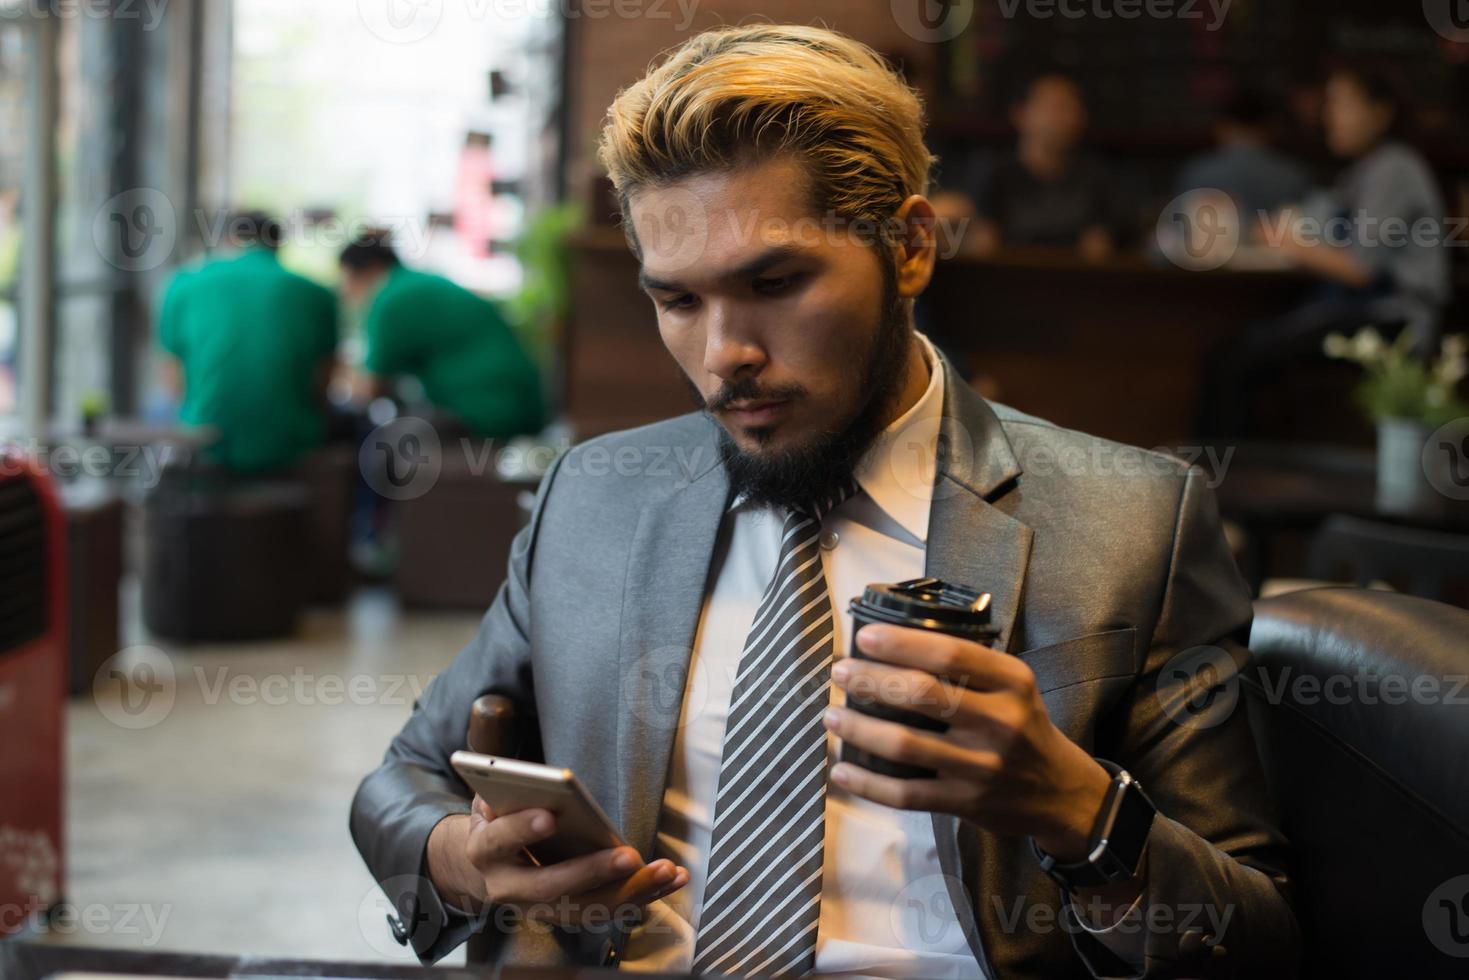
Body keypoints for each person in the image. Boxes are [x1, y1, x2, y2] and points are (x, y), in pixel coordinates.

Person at [351, 24, 1297, 978]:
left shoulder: (1132, 524)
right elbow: (401, 781)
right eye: (677, 301)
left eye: (775, 282)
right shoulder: (592, 498)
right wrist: (456, 860)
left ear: (912, 248)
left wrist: (1081, 815)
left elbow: (1256, 937)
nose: (725, 355)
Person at [1202, 68, 1451, 437]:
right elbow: (1311, 223)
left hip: (1393, 322)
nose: (1329, 115)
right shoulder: (1360, 173)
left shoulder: (1396, 168)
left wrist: (1291, 243)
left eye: (1341, 103)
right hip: (1356, 313)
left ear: (1380, 113)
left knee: (1238, 358)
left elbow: (1359, 268)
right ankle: (1233, 475)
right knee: (1235, 351)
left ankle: (1225, 478)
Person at [157, 212, 338, 473]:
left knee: (157, 409)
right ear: (277, 245)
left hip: (205, 444)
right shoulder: (316, 292)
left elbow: (174, 382)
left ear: (231, 240)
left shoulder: (182, 284)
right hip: (290, 447)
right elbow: (323, 382)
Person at [338, 235, 546, 440]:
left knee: (383, 444)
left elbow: (368, 391)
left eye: (347, 280)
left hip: (488, 409)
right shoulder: (414, 282)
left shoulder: (389, 299)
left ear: (368, 271)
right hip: (519, 400)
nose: (346, 292)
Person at [933, 72, 1120, 261]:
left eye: (1073, 106)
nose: (1067, 117)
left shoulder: (1095, 178)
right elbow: (980, 236)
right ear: (1020, 114)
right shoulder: (995, 174)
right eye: (1055, 107)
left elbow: (1099, 246)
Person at [1175, 88, 1311, 222]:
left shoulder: (1198, 173)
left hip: (1213, 243)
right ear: (1272, 128)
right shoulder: (1293, 176)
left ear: (1220, 127)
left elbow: (1177, 227)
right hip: (1278, 243)